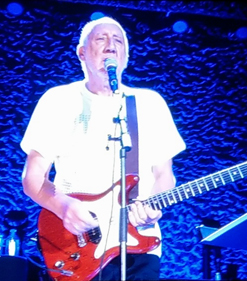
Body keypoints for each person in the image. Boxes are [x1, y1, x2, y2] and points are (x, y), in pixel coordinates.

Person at [20, 16, 186, 281]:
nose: (111, 46)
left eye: (118, 40)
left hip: (140, 244)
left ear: (126, 57)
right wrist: (62, 206)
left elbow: (165, 174)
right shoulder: (57, 99)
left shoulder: (150, 103)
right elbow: (32, 178)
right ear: (82, 52)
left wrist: (154, 204)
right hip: (77, 243)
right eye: (101, 39)